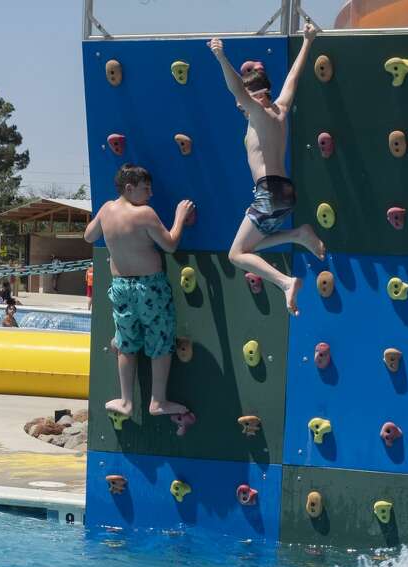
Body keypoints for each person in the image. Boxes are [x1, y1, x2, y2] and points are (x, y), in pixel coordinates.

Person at [209, 25, 325, 315]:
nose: (238, 105)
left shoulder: (258, 112)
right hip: (283, 193)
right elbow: (292, 80)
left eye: (242, 102)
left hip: (269, 193)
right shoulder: (280, 110)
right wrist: (308, 42)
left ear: (252, 97)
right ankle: (298, 235)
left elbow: (236, 87)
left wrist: (221, 57)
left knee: (237, 254)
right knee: (253, 245)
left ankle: (286, 282)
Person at [83, 162, 194, 421]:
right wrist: (179, 217)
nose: (151, 194)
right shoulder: (145, 213)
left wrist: (107, 226)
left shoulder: (107, 210)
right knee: (161, 341)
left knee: (126, 344)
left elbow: (89, 236)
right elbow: (169, 245)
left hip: (121, 287)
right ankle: (157, 401)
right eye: (146, 189)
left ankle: (126, 401)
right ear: (129, 188)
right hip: (149, 287)